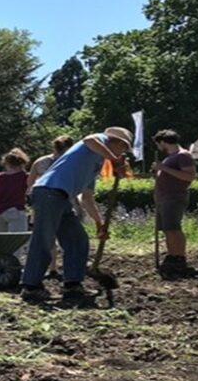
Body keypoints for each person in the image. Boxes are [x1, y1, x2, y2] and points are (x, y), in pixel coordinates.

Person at [21, 127, 132, 302]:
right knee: (44, 239)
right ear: (118, 142)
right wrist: (115, 159)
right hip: (49, 191)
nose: (123, 153)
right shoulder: (97, 140)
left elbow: (87, 197)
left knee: (77, 240)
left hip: (62, 198)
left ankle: (72, 284)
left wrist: (99, 223)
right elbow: (89, 139)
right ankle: (31, 286)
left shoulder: (97, 162)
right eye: (124, 148)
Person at [152, 129, 198, 279]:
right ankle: (173, 255)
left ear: (163, 142)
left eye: (158, 144)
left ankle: (179, 257)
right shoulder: (171, 157)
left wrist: (163, 168)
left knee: (173, 228)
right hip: (164, 198)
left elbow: (190, 176)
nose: (159, 147)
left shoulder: (183, 155)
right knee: (167, 229)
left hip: (174, 197)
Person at [28, 135, 75, 276]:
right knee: (69, 237)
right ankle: (62, 268)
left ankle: (47, 268)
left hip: (43, 201)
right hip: (66, 200)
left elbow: (30, 183)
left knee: (45, 236)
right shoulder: (70, 161)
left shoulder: (40, 162)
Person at [0, 148, 31, 256]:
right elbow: (30, 192)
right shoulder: (25, 177)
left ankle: (0, 268)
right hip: (15, 211)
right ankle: (13, 268)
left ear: (6, 163)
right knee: (16, 243)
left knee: (1, 244)